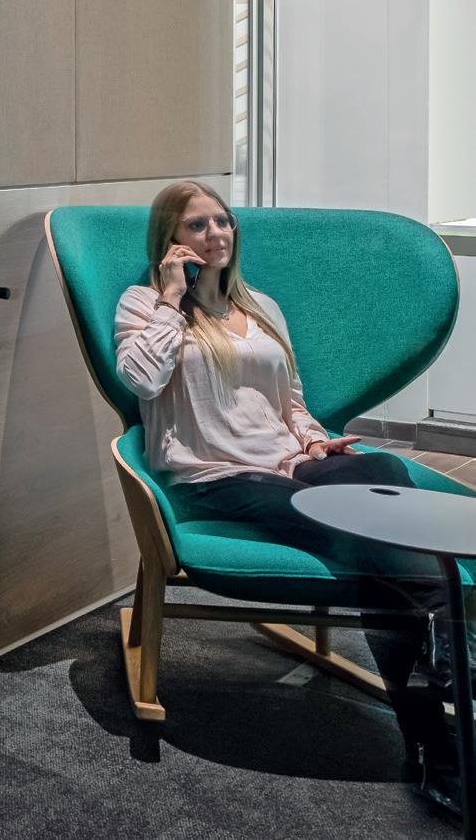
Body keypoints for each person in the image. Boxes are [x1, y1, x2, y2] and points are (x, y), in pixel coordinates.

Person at [119, 179, 464, 813]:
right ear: (170, 240)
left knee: (382, 468)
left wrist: (315, 443)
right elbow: (140, 379)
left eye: (222, 221)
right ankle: (441, 717)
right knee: (367, 541)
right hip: (219, 476)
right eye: (197, 225)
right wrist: (171, 298)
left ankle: (439, 668)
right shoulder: (145, 304)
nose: (216, 234)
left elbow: (292, 402)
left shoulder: (262, 307)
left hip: (291, 461)